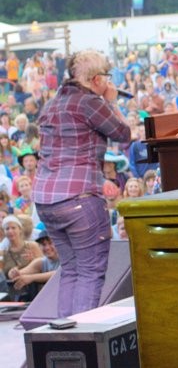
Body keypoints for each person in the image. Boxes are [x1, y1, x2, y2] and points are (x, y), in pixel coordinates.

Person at [33, 49, 131, 317]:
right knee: (89, 272)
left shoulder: (52, 104)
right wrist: (111, 101)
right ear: (97, 79)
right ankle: (83, 338)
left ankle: (65, 335)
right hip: (80, 199)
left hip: (45, 200)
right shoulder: (90, 102)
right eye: (107, 77)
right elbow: (124, 133)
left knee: (71, 270)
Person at [7, 230, 60, 299]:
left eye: (50, 243)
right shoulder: (41, 261)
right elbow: (19, 273)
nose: (47, 248)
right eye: (43, 244)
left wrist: (32, 278)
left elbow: (59, 273)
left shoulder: (67, 259)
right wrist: (13, 272)